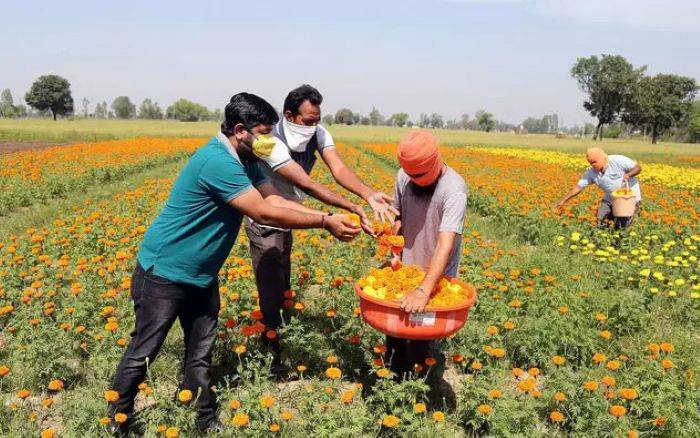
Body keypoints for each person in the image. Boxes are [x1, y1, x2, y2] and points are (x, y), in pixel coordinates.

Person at [107, 93, 360, 434]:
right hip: (164, 271)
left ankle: (203, 418)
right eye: (265, 133)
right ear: (240, 131)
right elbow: (262, 211)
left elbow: (276, 197)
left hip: (201, 274)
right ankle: (117, 420)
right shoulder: (217, 161)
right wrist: (324, 222)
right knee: (145, 349)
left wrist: (332, 215)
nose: (271, 141)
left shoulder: (252, 156)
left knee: (200, 350)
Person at [244, 84, 397, 369]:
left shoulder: (319, 134)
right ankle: (270, 352)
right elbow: (305, 182)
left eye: (317, 119)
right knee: (271, 287)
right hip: (266, 216)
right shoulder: (269, 137)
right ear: (288, 115)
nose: (314, 126)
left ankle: (280, 335)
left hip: (294, 215)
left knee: (283, 282)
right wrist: (347, 208)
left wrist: (367, 194)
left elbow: (338, 169)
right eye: (307, 121)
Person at [384, 130, 468, 384]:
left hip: (435, 276)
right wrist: (393, 250)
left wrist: (424, 289)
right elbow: (397, 217)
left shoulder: (454, 189)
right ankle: (393, 381)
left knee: (421, 336)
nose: (413, 180)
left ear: (435, 161)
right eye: (409, 175)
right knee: (395, 332)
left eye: (419, 175)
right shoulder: (404, 176)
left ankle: (418, 389)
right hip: (405, 271)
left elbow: (445, 243)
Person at [555, 147, 642, 229]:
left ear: (603, 158)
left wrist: (628, 175)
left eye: (595, 163)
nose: (594, 166)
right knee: (600, 222)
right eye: (591, 163)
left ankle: (618, 241)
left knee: (623, 226)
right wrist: (563, 201)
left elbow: (638, 168)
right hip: (610, 199)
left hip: (628, 199)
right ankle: (602, 240)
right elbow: (578, 187)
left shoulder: (618, 160)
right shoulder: (591, 172)